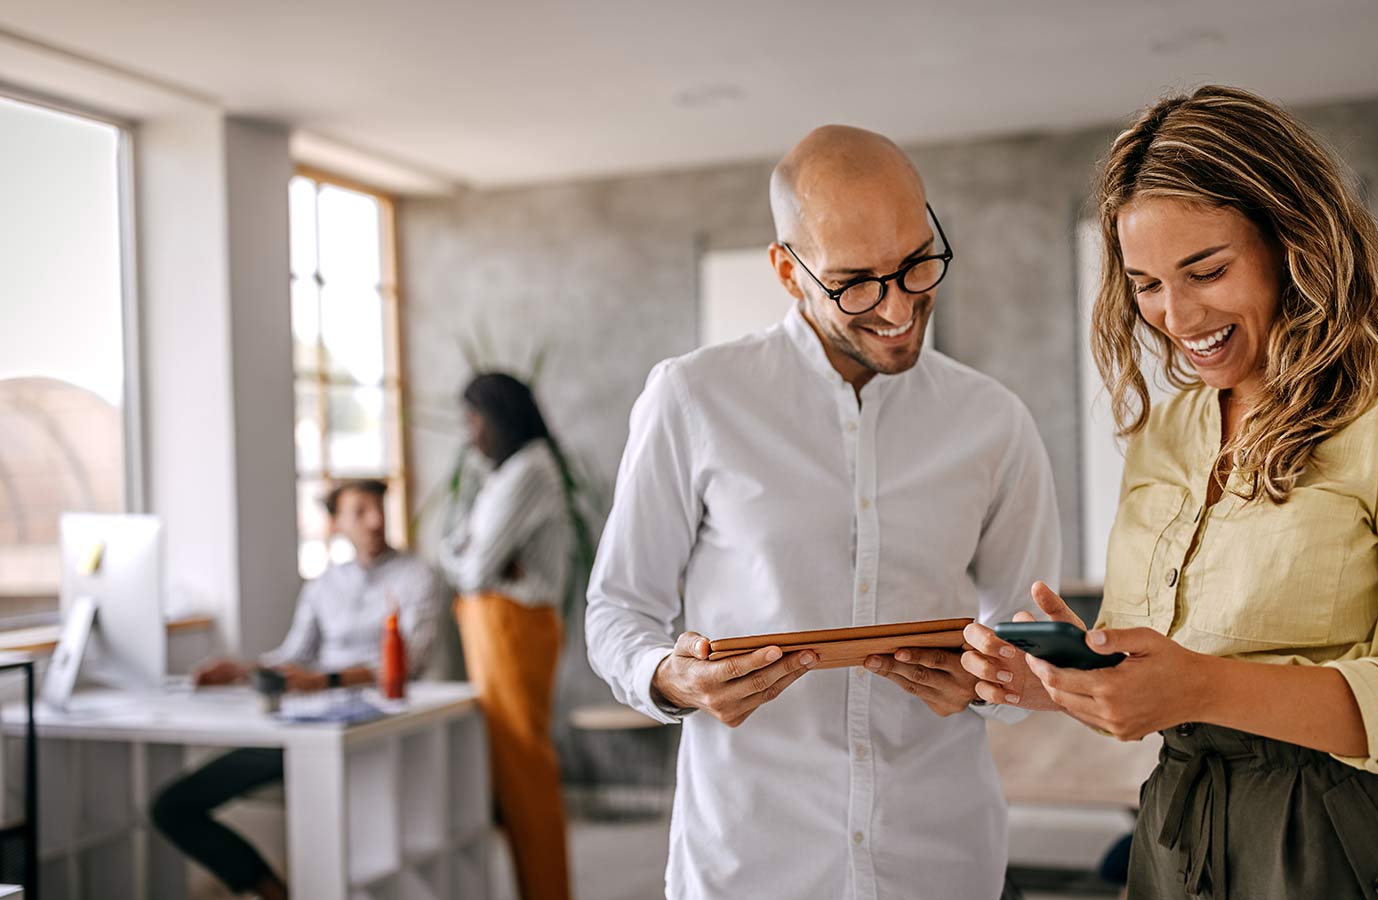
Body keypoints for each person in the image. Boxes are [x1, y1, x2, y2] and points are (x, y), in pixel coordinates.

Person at [961, 85, 1378, 899]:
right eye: (1146, 283)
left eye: (1206, 271)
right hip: (1181, 836)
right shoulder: (1167, 433)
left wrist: (1203, 685)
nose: (1174, 314)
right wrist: (1057, 682)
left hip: (1360, 839)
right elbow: (1163, 673)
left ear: (1294, 243)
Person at [585, 125, 1062, 900]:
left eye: (916, 263)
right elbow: (617, 609)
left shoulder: (995, 421)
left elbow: (1029, 637)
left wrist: (989, 684)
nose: (898, 305)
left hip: (941, 858)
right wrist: (672, 678)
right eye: (855, 283)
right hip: (749, 862)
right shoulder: (693, 398)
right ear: (787, 270)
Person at [151, 479, 445, 900]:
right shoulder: (323, 585)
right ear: (336, 523)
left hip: (376, 728)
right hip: (311, 726)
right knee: (173, 807)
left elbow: (409, 662)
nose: (376, 520)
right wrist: (241, 671)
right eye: (360, 511)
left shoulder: (416, 576)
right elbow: (294, 656)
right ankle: (272, 890)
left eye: (379, 508)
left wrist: (325, 681)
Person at [439, 371, 575, 900]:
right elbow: (455, 548)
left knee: (525, 771)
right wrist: (477, 558)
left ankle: (546, 891)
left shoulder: (529, 470)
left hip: (514, 630)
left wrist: (475, 560)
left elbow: (471, 570)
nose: (470, 433)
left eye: (474, 419)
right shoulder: (503, 474)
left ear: (499, 416)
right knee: (512, 772)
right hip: (497, 628)